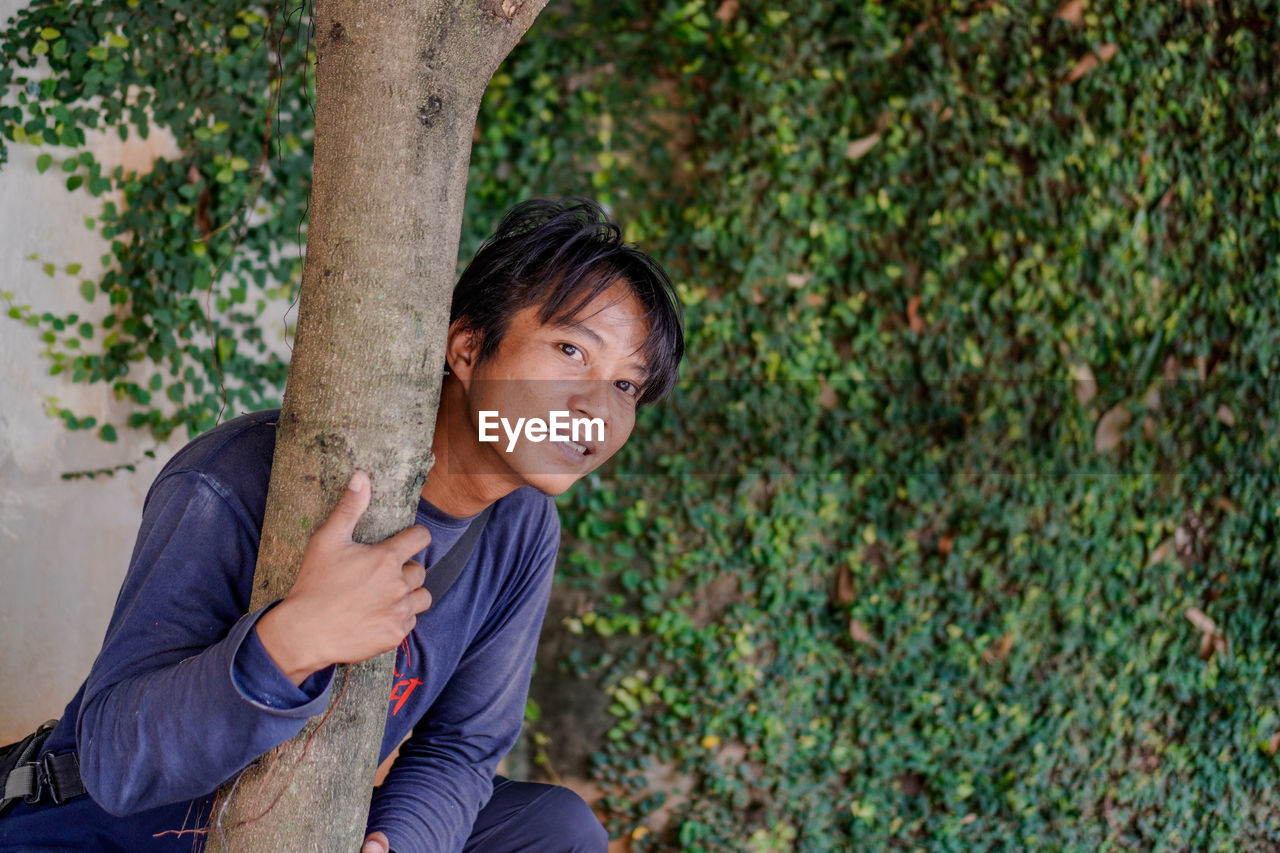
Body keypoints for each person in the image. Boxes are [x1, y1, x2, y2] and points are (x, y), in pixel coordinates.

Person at [0, 198, 684, 852]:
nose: (596, 406)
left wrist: (398, 842)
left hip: (314, 823)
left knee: (554, 830)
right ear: (469, 349)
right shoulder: (237, 478)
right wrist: (290, 642)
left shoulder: (523, 528)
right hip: (109, 833)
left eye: (626, 385)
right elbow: (119, 761)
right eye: (572, 351)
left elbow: (462, 745)